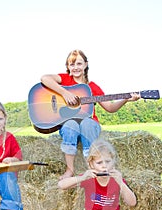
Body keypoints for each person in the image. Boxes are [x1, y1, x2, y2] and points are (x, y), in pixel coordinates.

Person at [41, 49, 140, 179]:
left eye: (79, 64)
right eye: (72, 64)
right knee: (70, 124)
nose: (75, 67)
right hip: (70, 124)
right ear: (68, 67)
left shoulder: (93, 87)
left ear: (86, 65)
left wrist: (126, 99)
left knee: (87, 123)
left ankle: (92, 168)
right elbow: (45, 78)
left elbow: (110, 107)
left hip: (90, 124)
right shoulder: (64, 80)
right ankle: (70, 169)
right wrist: (65, 93)